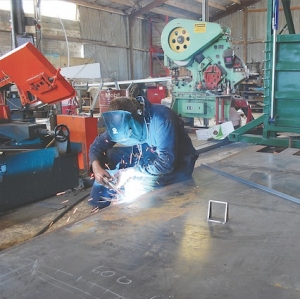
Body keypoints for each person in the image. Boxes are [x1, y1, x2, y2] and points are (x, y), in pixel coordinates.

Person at [88, 96, 198, 209]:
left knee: (139, 186)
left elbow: (166, 164)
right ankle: (98, 205)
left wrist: (130, 172)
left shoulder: (162, 119)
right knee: (109, 156)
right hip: (146, 154)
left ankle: (125, 210)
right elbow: (97, 146)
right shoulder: (120, 123)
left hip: (176, 164)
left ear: (138, 117)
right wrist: (96, 168)